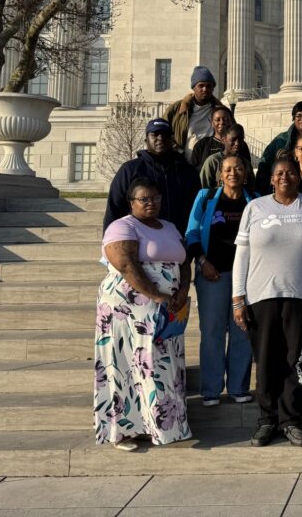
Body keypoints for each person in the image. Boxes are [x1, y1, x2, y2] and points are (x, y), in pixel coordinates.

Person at [232, 156, 302, 448]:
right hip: (261, 297)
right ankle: (267, 420)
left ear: (298, 177)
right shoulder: (255, 208)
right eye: (279, 173)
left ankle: (290, 421)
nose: (285, 177)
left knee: (297, 362)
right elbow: (242, 255)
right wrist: (238, 298)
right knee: (266, 362)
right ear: (271, 179)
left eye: (290, 172)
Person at [95, 177, 191, 450]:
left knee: (160, 365)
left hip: (165, 309)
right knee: (126, 365)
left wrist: (181, 291)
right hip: (128, 309)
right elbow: (126, 265)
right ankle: (124, 431)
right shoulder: (121, 226)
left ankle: (162, 427)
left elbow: (183, 262)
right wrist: (157, 295)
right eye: (144, 199)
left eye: (155, 198)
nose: (151, 203)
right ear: (131, 203)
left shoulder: (170, 227)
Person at [185, 155, 257, 407]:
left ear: (246, 172)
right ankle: (211, 389)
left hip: (246, 278)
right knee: (212, 332)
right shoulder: (206, 197)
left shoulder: (255, 201)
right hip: (212, 274)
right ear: (220, 174)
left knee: (242, 330)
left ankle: (238, 387)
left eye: (238, 168)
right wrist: (203, 261)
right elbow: (192, 232)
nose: (233, 173)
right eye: (227, 169)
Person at [104, 118, 201, 237]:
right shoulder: (129, 169)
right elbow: (114, 208)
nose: (160, 138)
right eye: (154, 134)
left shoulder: (187, 171)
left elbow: (197, 210)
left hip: (178, 242)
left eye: (165, 134)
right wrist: (109, 242)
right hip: (139, 243)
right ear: (146, 139)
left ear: (172, 140)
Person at [257, 101, 302, 188]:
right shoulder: (281, 140)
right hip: (286, 186)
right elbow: (264, 165)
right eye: (298, 115)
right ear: (293, 118)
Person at [164, 66, 221, 165]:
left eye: (208, 86)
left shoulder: (221, 110)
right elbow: (163, 133)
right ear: (194, 87)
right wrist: (177, 152)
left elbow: (230, 134)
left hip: (212, 167)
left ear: (213, 88)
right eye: (201, 85)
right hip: (182, 165)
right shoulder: (176, 109)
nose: (205, 89)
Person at [192, 106, 253, 170]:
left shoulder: (241, 145)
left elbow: (247, 169)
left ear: (231, 121)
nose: (222, 122)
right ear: (212, 123)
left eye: (226, 119)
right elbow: (194, 171)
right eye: (217, 120)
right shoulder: (201, 145)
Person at [199, 124, 254, 189]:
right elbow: (204, 188)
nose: (237, 143)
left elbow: (252, 188)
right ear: (223, 140)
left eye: (241, 139)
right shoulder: (213, 161)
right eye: (233, 140)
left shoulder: (246, 163)